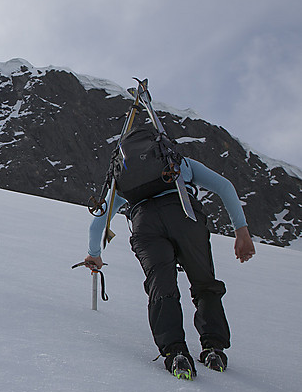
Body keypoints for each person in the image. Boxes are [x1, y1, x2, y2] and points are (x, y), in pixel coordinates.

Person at [85, 148, 257, 378]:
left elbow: (99, 222)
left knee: (161, 284)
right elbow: (225, 186)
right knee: (204, 282)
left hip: (145, 224)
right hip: (184, 214)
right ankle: (213, 348)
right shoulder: (178, 162)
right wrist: (241, 231)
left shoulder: (126, 176)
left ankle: (175, 352)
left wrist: (94, 254)